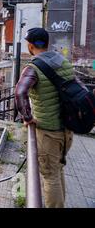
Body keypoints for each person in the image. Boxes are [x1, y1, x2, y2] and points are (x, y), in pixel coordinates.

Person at [15, 28, 82, 208]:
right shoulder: (64, 62)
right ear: (46, 43)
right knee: (57, 170)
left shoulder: (33, 67)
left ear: (30, 46)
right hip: (67, 130)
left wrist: (28, 118)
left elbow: (20, 92)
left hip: (48, 133)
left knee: (50, 175)